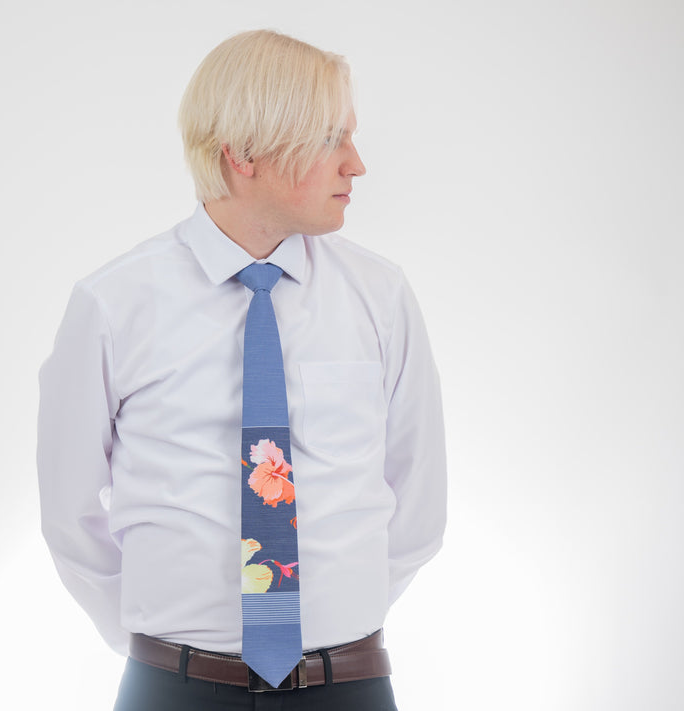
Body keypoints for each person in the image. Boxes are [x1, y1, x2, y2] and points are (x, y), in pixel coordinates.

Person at [37, 29, 446, 711]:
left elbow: (418, 502)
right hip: (173, 688)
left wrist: (333, 629)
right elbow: (70, 512)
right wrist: (168, 648)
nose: (357, 165)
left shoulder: (381, 297)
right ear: (244, 154)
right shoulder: (113, 306)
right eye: (329, 140)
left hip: (347, 686)